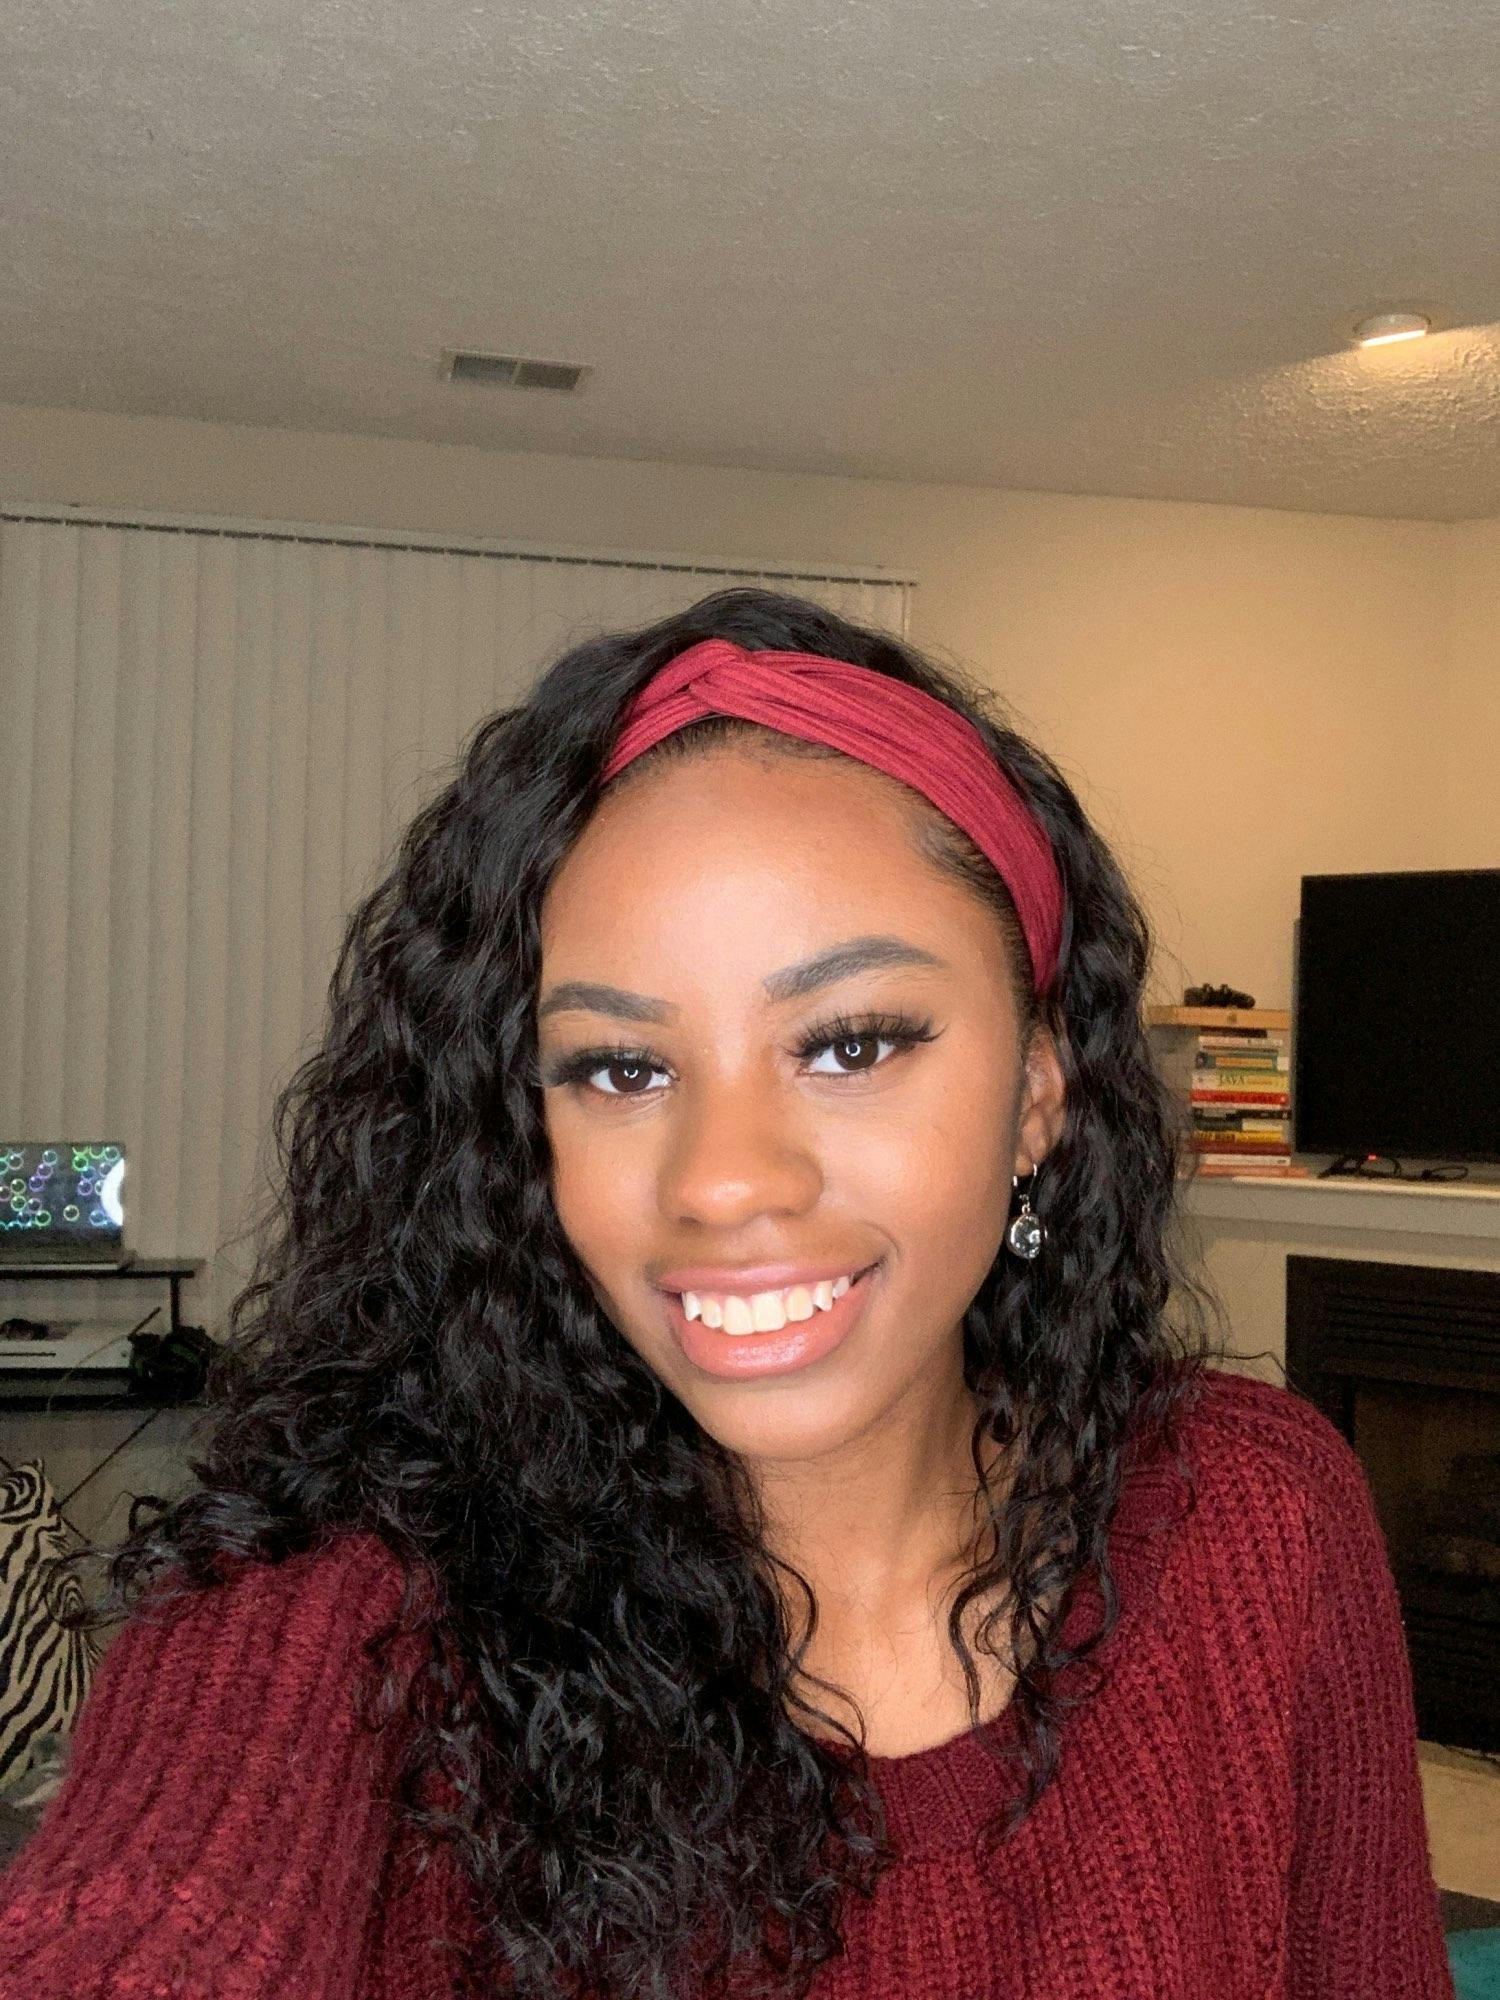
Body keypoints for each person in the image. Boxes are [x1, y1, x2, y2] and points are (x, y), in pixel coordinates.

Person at [0, 590, 1454, 1999]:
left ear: (1036, 1093)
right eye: (622, 1068)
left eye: (850, 1043)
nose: (722, 1180)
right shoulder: (341, 1597)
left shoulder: (1255, 1521)